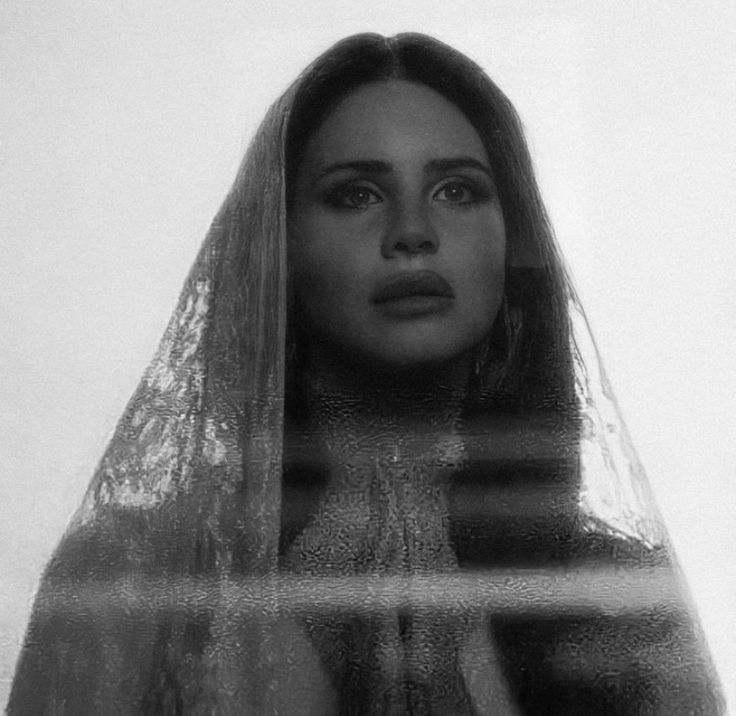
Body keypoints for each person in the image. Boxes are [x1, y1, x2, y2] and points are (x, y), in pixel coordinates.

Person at [8, 33, 723, 715]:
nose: (412, 232)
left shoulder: (612, 599)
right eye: (357, 194)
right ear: (278, 243)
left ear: (513, 242)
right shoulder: (134, 575)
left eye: (457, 191)